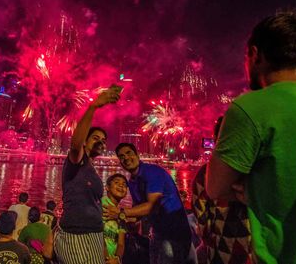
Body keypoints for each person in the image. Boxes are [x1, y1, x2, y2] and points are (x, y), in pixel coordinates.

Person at [206, 11, 296, 263]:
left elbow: (216, 187)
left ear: (254, 54)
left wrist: (257, 188)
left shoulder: (249, 109)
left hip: (283, 256)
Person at [54, 86, 120, 264]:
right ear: (85, 142)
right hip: (77, 237)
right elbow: (75, 145)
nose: (101, 142)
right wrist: (93, 107)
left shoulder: (91, 168)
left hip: (94, 236)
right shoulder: (77, 161)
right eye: (95, 138)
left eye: (104, 141)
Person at [106, 143, 192, 264]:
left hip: (174, 235)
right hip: (157, 233)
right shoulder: (132, 181)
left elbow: (152, 205)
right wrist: (127, 222)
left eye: (129, 153)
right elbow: (137, 210)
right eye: (121, 156)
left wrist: (120, 212)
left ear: (137, 155)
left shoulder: (152, 172)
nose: (125, 158)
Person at [192, 117, 252, 264]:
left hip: (220, 249)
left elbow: (200, 217)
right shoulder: (256, 171)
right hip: (255, 249)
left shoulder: (206, 173)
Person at [102, 174, 128, 264]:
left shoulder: (121, 215)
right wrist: (106, 259)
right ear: (107, 188)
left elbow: (121, 243)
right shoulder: (102, 205)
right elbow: (98, 236)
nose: (121, 185)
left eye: (124, 185)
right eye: (117, 182)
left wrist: (117, 258)